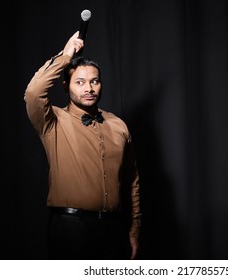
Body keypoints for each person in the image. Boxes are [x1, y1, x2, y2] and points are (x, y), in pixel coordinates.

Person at [24, 31, 141, 260]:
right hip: (70, 230)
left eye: (94, 81)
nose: (89, 88)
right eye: (80, 82)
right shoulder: (52, 121)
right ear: (66, 87)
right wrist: (66, 55)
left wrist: (134, 230)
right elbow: (33, 93)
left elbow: (132, 181)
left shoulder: (118, 125)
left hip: (114, 230)